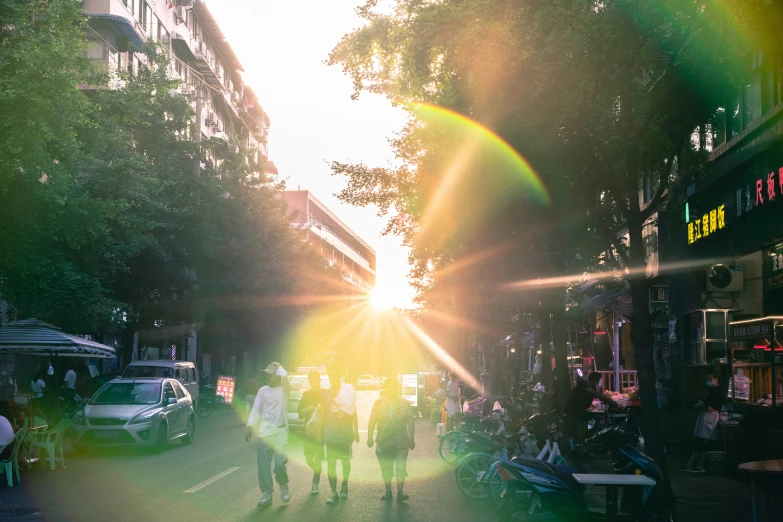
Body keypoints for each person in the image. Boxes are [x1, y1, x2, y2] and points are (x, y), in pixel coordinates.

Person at [245, 362, 291, 506]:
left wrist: (279, 366)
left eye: (270, 374)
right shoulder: (263, 391)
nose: (267, 377)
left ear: (277, 375)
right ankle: (267, 493)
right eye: (266, 374)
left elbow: (286, 381)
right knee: (263, 466)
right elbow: (256, 408)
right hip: (265, 433)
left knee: (279, 465)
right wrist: (249, 425)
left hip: (281, 432)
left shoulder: (284, 390)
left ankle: (283, 485)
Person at [368, 378, 416, 501]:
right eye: (389, 386)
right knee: (386, 467)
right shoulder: (378, 402)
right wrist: (369, 437)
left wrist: (412, 438)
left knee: (401, 467)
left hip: (401, 441)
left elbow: (410, 421)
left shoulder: (405, 403)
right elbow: (372, 420)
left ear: (397, 387)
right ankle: (388, 491)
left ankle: (400, 492)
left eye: (394, 386)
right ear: (385, 387)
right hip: (383, 441)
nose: (392, 389)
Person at [320, 367, 359, 505]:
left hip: (345, 433)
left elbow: (354, 412)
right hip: (330, 434)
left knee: (345, 462)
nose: (333, 379)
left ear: (340, 377)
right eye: (330, 377)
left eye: (335, 376)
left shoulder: (347, 392)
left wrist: (356, 430)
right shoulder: (324, 394)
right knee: (331, 463)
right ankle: (333, 493)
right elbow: (323, 414)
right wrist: (320, 433)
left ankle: (345, 484)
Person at [680, 373, 725, 473]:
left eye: (710, 379)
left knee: (705, 441)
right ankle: (691, 464)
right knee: (700, 440)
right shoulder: (711, 391)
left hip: (710, 416)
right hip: (706, 416)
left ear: (716, 379)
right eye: (707, 380)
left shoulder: (717, 391)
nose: (708, 381)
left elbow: (707, 404)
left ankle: (700, 465)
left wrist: (702, 405)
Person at [564, 372, 618, 439]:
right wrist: (611, 401)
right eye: (598, 380)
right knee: (596, 417)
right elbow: (597, 394)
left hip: (582, 410)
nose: (598, 382)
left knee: (596, 416)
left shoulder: (592, 386)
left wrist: (606, 401)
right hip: (574, 411)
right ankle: (588, 436)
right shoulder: (583, 385)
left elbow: (599, 397)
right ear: (595, 380)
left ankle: (588, 434)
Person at [298, 370, 324, 494]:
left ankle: (315, 483)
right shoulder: (306, 395)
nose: (314, 382)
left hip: (321, 431)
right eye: (311, 380)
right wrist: (307, 409)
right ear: (309, 381)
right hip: (309, 431)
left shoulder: (325, 394)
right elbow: (300, 414)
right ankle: (318, 470)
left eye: (316, 380)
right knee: (309, 459)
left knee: (318, 457)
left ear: (319, 380)